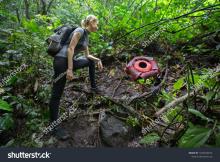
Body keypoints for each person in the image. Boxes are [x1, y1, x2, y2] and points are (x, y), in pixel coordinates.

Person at [49, 15, 103, 140]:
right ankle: (53, 128)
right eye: (96, 23)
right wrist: (70, 69)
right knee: (57, 94)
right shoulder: (79, 30)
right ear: (90, 22)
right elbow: (70, 49)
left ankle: (94, 87)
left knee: (90, 62)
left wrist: (98, 59)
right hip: (61, 61)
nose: (97, 26)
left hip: (68, 61)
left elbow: (88, 56)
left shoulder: (86, 36)